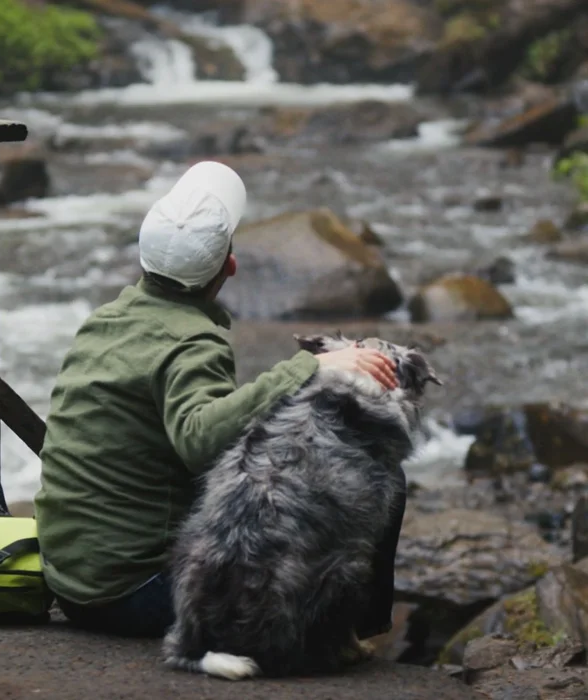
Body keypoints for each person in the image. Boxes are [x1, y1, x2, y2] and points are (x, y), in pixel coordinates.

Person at [33, 161, 399, 638]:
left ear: (146, 258)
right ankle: (349, 634)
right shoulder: (192, 342)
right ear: (230, 265)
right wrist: (311, 367)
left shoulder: (108, 318)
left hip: (70, 581)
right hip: (137, 592)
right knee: (372, 466)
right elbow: (201, 441)